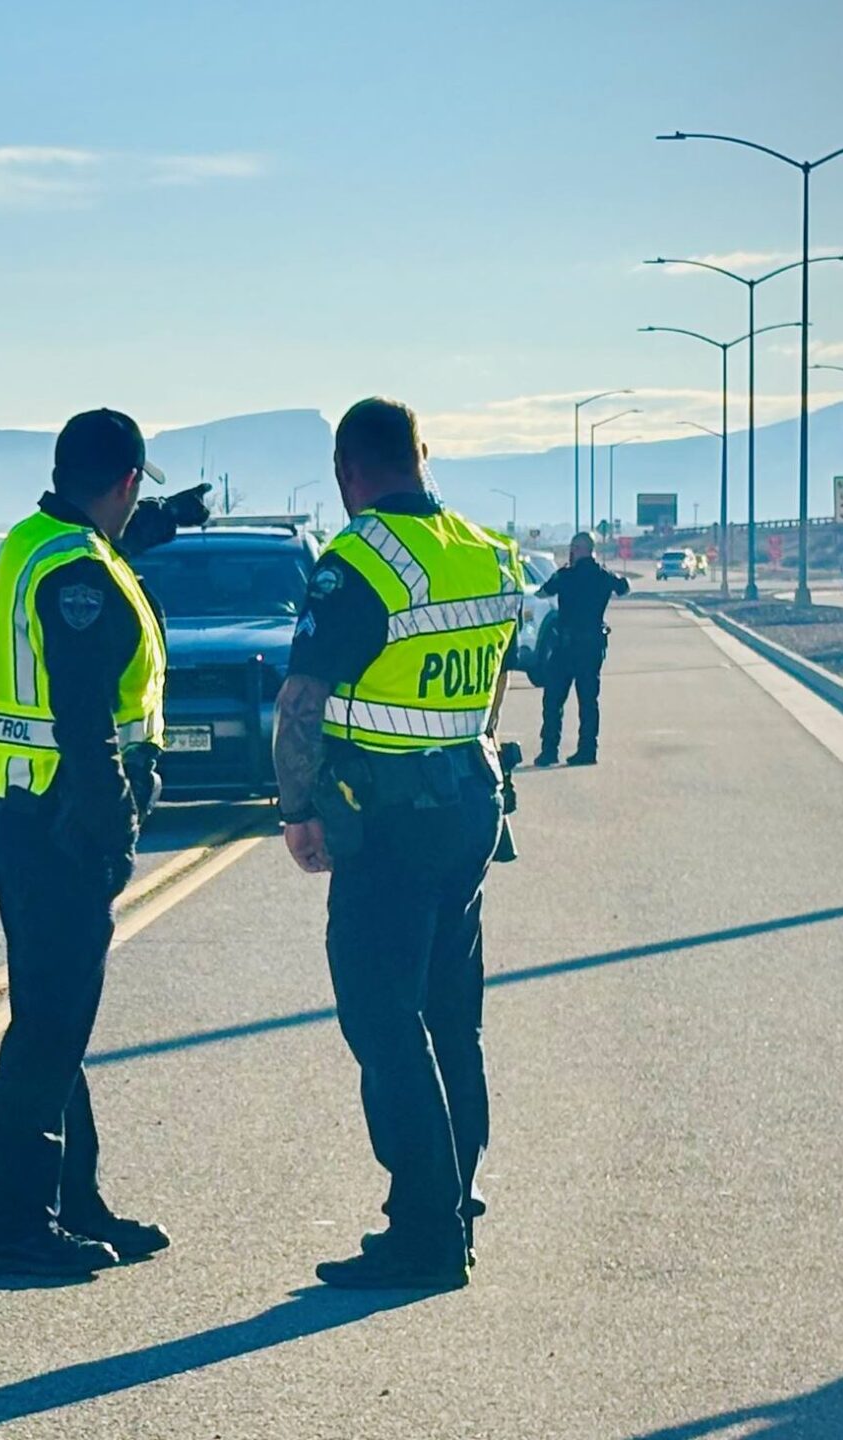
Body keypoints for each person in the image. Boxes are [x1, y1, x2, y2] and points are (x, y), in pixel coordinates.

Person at [272, 397, 522, 1291]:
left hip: (390, 824)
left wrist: (297, 809)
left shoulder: (360, 561)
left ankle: (424, 1232)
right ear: (424, 456)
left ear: (349, 472)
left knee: (383, 1019)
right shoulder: (489, 553)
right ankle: (459, 1195)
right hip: (469, 803)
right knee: (453, 1015)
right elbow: (491, 689)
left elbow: (301, 701)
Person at [0, 407, 208, 1277]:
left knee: (55, 1024)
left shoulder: (38, 540)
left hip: (21, 816)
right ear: (125, 481)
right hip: (60, 830)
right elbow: (84, 723)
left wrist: (167, 521)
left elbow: (100, 553)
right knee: (48, 1032)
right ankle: (14, 1226)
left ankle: (73, 1202)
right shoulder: (79, 573)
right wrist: (115, 831)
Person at [533, 531, 629, 766]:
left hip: (566, 647)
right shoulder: (603, 575)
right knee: (588, 701)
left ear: (582, 549)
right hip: (591, 647)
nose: (571, 551)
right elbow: (624, 588)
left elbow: (542, 592)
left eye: (574, 547)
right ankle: (587, 750)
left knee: (553, 700)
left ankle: (549, 751)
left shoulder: (565, 575)